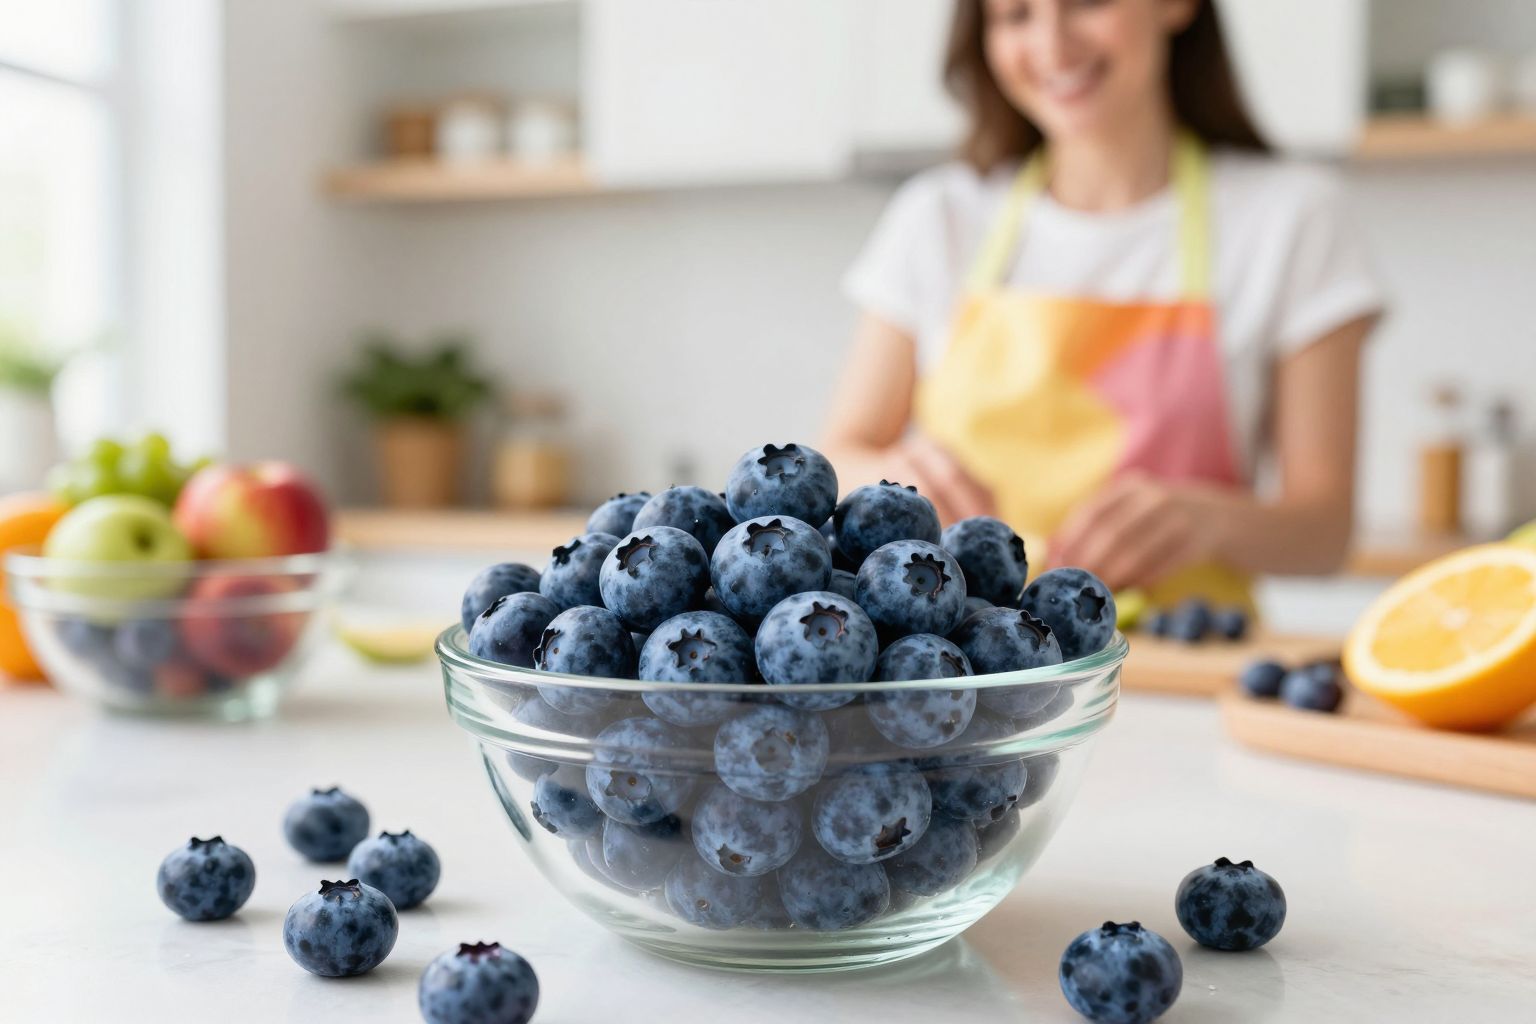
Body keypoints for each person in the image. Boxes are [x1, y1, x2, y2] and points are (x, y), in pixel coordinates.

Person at [822, 0, 1383, 609]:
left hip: (1185, 668)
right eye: (1015, 16)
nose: (1053, 46)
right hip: (978, 675)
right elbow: (841, 458)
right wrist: (899, 481)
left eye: (1086, 3)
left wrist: (1209, 521)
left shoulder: (1292, 219)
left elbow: (1325, 532)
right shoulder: (937, 217)